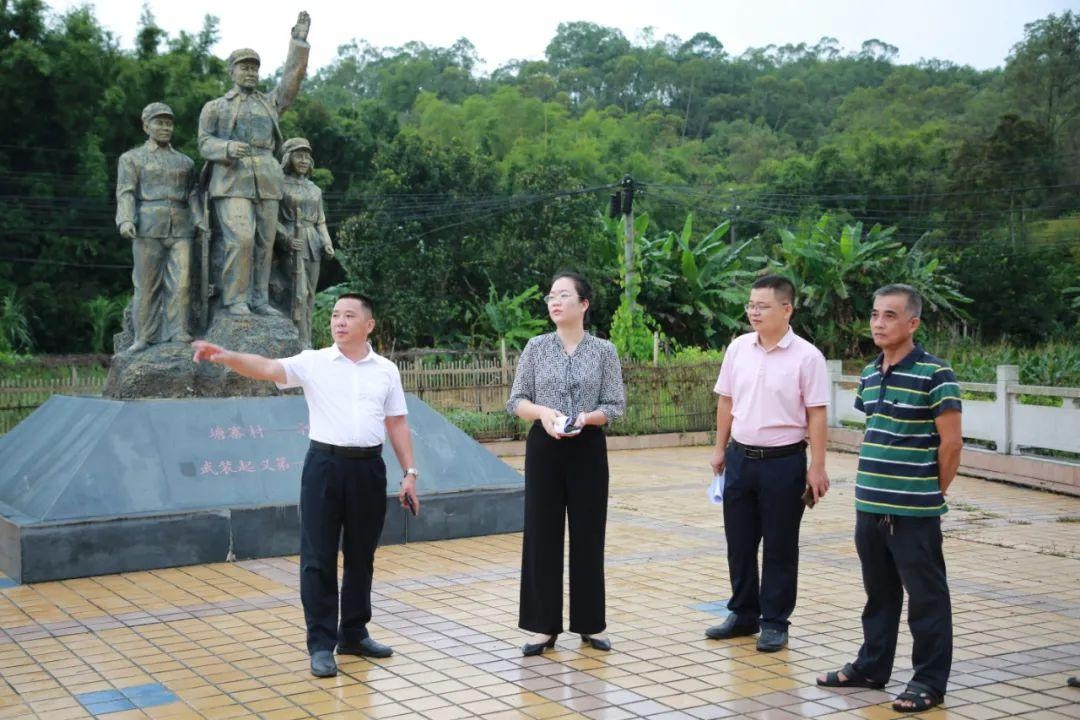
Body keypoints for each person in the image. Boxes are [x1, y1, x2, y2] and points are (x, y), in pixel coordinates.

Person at [191, 293, 420, 679]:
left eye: (349, 315)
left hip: (369, 469)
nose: (339, 321)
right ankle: (320, 644)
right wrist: (227, 356)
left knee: (362, 555)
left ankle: (354, 634)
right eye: (335, 315)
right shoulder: (313, 361)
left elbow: (396, 422)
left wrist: (410, 472)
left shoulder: (386, 370)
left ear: (369, 325)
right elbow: (267, 367)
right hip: (324, 466)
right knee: (318, 557)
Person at [816, 284, 962, 714]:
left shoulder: (936, 374)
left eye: (890, 316)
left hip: (914, 510)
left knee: (926, 597)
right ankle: (872, 666)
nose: (878, 323)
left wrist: (930, 492)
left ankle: (929, 681)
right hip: (870, 504)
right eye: (876, 314)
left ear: (912, 323)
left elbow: (951, 444)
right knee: (878, 593)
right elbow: (878, 427)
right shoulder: (869, 372)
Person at [706, 274, 830, 652]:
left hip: (784, 462)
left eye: (762, 306)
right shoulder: (738, 348)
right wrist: (719, 448)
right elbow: (726, 401)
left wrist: (817, 466)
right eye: (750, 305)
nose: (753, 312)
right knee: (739, 543)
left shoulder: (807, 356)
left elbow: (817, 414)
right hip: (740, 459)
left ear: (786, 309)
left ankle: (775, 621)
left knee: (779, 545)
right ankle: (743, 614)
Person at [506, 271, 625, 656]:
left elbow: (615, 406)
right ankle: (542, 627)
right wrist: (542, 413)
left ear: (584, 304)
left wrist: (586, 418)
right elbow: (516, 400)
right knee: (541, 534)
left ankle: (592, 624)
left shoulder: (604, 351)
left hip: (588, 447)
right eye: (551, 297)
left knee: (589, 535)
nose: (554, 303)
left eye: (563, 296)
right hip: (545, 447)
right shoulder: (536, 347)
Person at [198, 13, 310, 317]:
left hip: (267, 177)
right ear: (232, 72)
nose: (250, 72)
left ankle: (259, 299)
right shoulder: (216, 107)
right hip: (231, 179)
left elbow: (291, 82)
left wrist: (298, 42)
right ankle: (235, 299)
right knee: (242, 238)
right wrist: (225, 147)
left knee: (266, 241)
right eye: (244, 67)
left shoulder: (268, 103)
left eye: (254, 68)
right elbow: (204, 142)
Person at [115, 102, 200, 352]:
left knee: (182, 283)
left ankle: (179, 331)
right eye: (159, 122)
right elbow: (126, 192)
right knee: (146, 284)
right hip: (148, 226)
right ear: (146, 125)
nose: (165, 127)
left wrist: (198, 219)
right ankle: (144, 336)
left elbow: (193, 193)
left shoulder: (184, 162)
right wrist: (126, 219)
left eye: (169, 123)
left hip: (182, 228)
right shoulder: (132, 158)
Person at [277, 137, 334, 348]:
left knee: (310, 294)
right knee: (296, 292)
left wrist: (327, 242)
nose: (303, 160)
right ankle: (293, 340)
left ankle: (306, 340)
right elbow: (270, 218)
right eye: (298, 155)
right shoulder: (279, 184)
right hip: (291, 240)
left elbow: (321, 221)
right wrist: (285, 238)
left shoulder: (314, 189)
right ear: (288, 158)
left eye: (306, 156)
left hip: (313, 244)